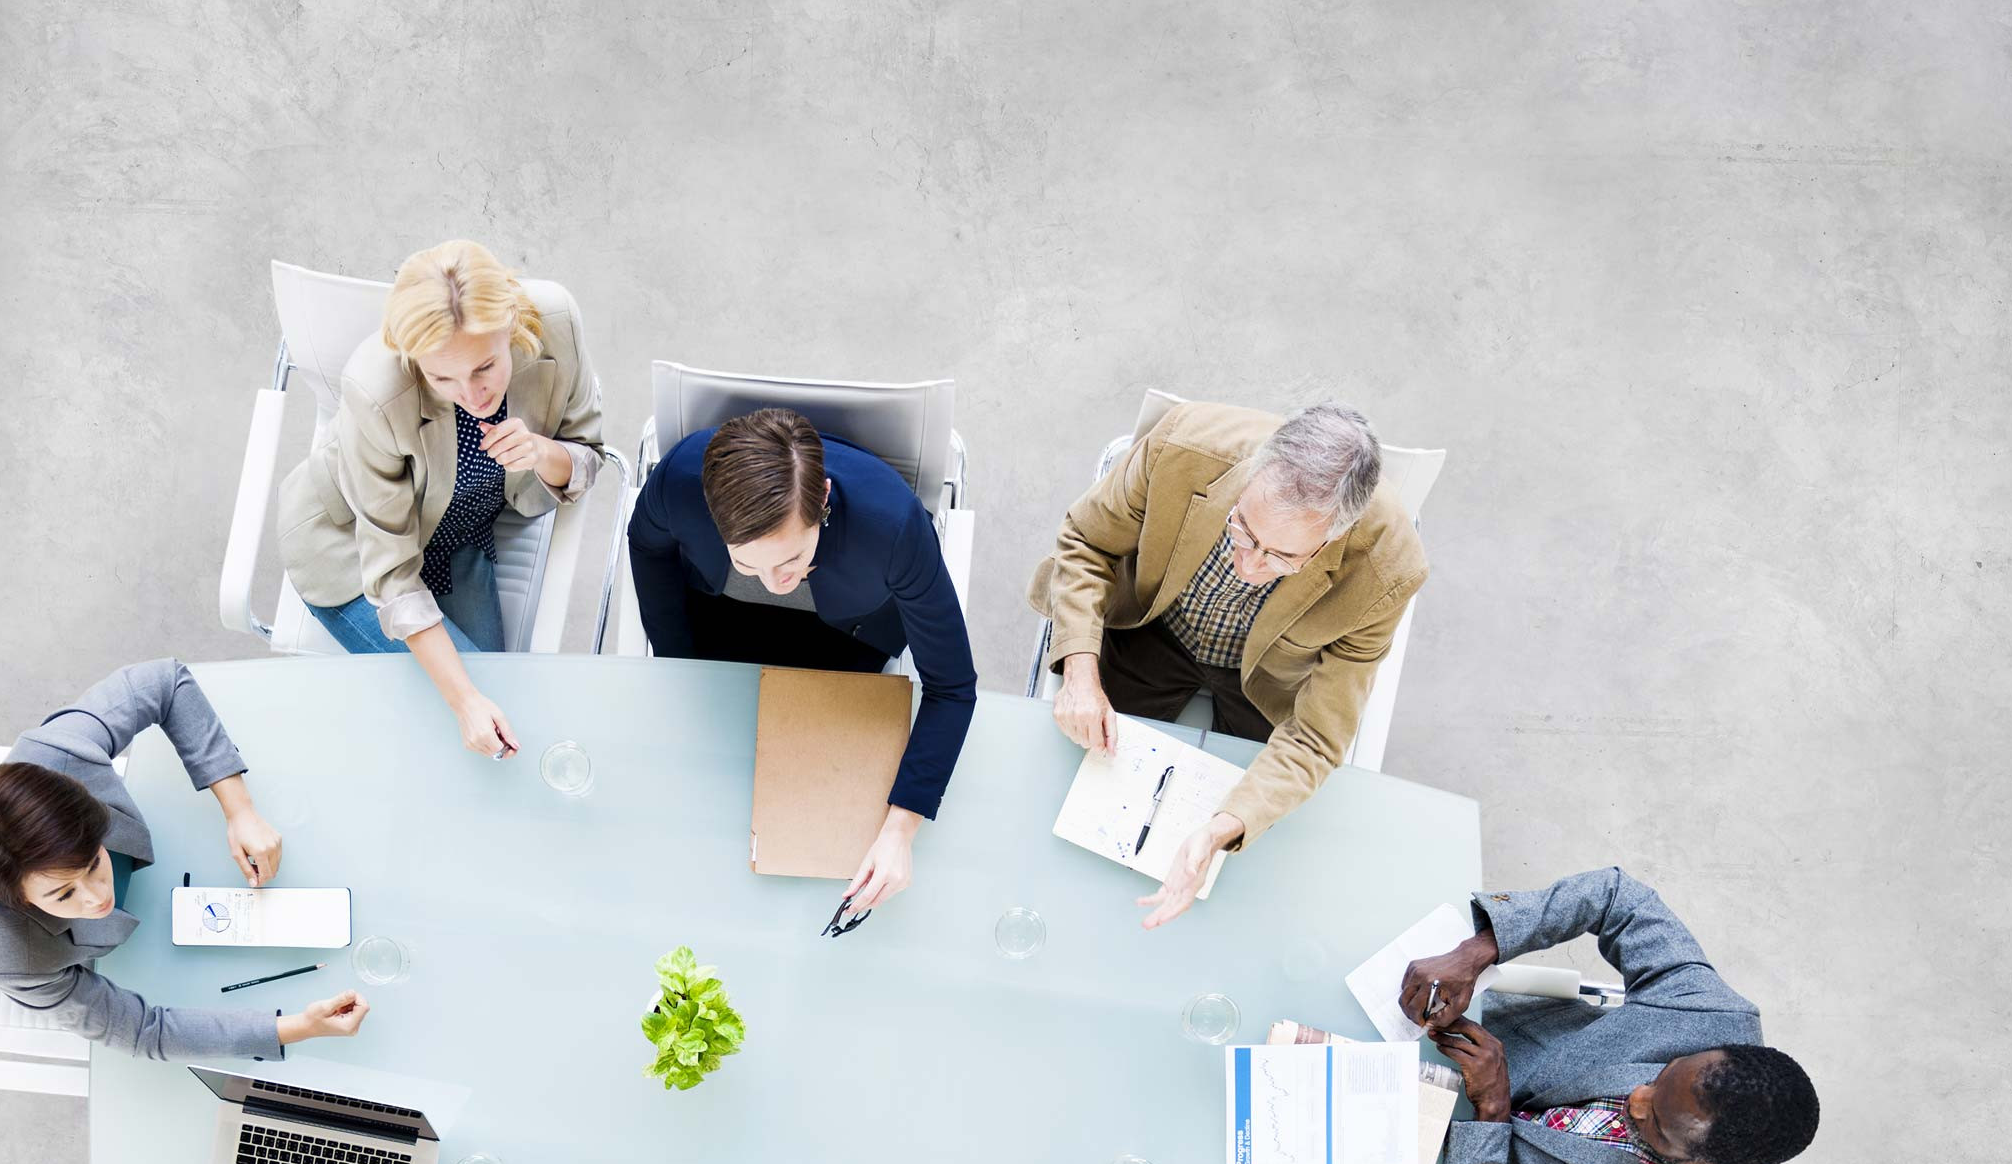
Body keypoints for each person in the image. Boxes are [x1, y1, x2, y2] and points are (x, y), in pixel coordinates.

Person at [1029, 400, 1428, 928]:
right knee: (1065, 796)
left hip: (1266, 680)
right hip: (1151, 628)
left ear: (1336, 537)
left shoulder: (1389, 572)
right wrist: (1080, 674)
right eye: (1242, 529)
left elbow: (1314, 738)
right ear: (1253, 471)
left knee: (1253, 871)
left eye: (1282, 558)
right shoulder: (1182, 447)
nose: (1248, 566)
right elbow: (1086, 542)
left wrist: (1222, 829)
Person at [1403, 867, 1822, 1164]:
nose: (1636, 1100)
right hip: (1444, 1030)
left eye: (1656, 1123)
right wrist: (1478, 951)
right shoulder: (1713, 1015)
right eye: (1660, 1077)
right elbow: (1616, 896)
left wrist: (1492, 1112)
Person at [625, 409, 977, 916]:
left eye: (791, 559)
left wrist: (901, 832)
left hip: (845, 645)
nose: (773, 581)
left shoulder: (893, 526)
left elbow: (952, 686)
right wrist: (678, 659)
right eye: (749, 562)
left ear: (825, 500)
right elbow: (646, 543)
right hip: (716, 623)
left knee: (819, 829)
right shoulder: (681, 478)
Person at [275, 238, 606, 760]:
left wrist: (542, 452)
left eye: (484, 368)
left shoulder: (556, 320)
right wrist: (464, 700)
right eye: (441, 377)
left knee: (506, 714)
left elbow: (588, 454)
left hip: (462, 534)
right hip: (353, 554)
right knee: (471, 721)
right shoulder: (375, 388)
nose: (472, 396)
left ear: (512, 324)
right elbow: (391, 573)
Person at [0, 658, 368, 1061]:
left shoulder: (56, 754)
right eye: (64, 894)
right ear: (19, 901)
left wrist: (238, 808)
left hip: (185, 844)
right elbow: (145, 1031)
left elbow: (164, 682)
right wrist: (301, 1027)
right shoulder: (16, 964)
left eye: (93, 863)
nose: (97, 897)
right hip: (144, 958)